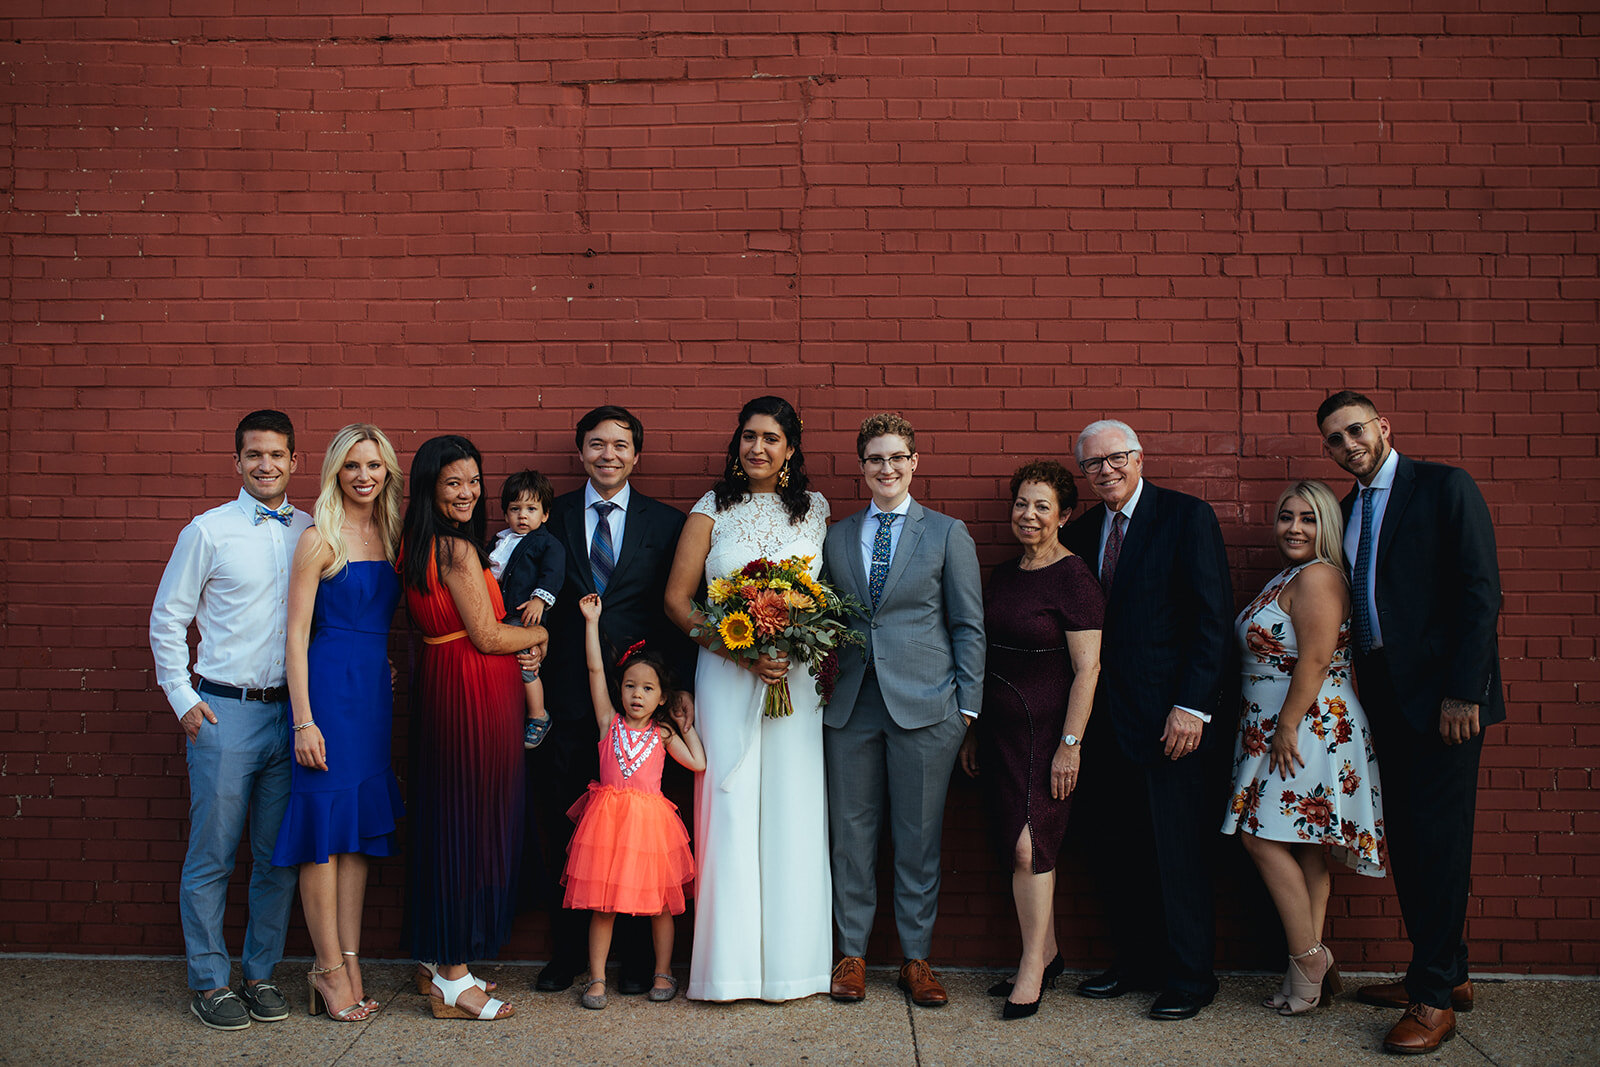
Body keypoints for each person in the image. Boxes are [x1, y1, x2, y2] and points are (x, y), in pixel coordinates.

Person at [1315, 390, 1504, 1054]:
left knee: (1441, 843)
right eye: (1334, 440)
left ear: (1383, 426)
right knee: (1417, 844)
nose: (1347, 445)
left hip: (1444, 702)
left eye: (1355, 430)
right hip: (1386, 701)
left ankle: (1431, 997)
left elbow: (1482, 591)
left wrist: (1463, 692)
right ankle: (1445, 972)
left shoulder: (1444, 486)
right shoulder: (1345, 511)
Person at [664, 395, 834, 1002]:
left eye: (771, 438)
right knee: (730, 809)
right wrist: (740, 651)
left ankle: (794, 968)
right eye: (748, 436)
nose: (757, 448)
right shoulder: (712, 508)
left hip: (795, 678)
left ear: (791, 449)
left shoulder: (816, 510)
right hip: (728, 670)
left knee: (793, 808)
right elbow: (678, 600)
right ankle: (727, 971)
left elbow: (824, 597)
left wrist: (790, 639)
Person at [1062, 418, 1233, 1021]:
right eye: (1092, 464)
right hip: (1105, 721)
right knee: (1119, 847)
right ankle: (1135, 962)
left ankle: (1191, 976)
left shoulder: (1187, 518)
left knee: (1176, 850)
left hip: (1171, 720)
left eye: (1116, 458)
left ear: (1139, 457)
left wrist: (1193, 706)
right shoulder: (1082, 531)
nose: (1104, 471)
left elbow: (1212, 619)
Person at [150, 409, 310, 1031]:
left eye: (276, 455)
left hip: (291, 716)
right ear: (237, 462)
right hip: (225, 712)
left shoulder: (310, 530)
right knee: (213, 855)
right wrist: (182, 699)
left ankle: (260, 973)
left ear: (295, 461)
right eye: (253, 455)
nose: (265, 465)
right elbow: (169, 618)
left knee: (277, 859)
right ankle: (211, 982)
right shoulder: (207, 531)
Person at [820, 412, 985, 1008]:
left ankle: (917, 959)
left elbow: (968, 624)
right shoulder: (837, 536)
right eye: (874, 459)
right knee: (851, 835)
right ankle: (852, 954)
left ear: (915, 462)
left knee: (918, 839)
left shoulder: (946, 533)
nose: (885, 469)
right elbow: (828, 621)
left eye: (896, 458)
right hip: (851, 708)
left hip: (927, 709)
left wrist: (966, 711)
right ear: (861, 467)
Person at [534, 406, 693, 996]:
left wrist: (677, 695)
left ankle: (632, 960)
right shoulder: (548, 518)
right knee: (567, 830)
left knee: (633, 843)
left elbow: (676, 614)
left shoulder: (665, 523)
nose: (609, 454)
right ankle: (567, 953)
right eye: (597, 444)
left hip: (636, 708)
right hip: (566, 697)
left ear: (637, 455)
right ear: (581, 452)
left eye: (620, 445)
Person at [1220, 479, 1387, 1016]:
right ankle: (1304, 979)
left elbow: (1315, 660)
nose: (1294, 528)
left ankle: (1310, 957)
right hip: (1279, 723)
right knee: (1309, 846)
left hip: (1309, 726)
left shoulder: (1318, 577)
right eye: (1286, 517)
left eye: (1308, 519)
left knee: (1258, 837)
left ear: (1328, 527)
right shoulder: (1290, 574)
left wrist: (1287, 725)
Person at [401, 434, 547, 1022]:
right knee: (469, 829)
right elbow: (488, 636)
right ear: (431, 488)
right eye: (453, 483)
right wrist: (538, 635)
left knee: (447, 824)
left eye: (473, 480)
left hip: (445, 681)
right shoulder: (457, 551)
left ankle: (438, 965)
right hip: (472, 689)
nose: (467, 493)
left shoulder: (415, 544)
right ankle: (455, 981)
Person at [270, 423, 408, 1022]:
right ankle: (326, 970)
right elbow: (295, 636)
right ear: (334, 472)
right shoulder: (317, 538)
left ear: (388, 473)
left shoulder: (392, 530)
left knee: (355, 838)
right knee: (323, 836)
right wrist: (303, 721)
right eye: (352, 466)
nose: (364, 476)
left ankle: (350, 959)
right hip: (326, 695)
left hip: (373, 696)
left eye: (374, 466)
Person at [957, 460, 1103, 1020]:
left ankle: (1030, 969)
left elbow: (1087, 669)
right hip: (999, 732)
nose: (1029, 514)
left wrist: (1072, 742)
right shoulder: (1004, 575)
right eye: (1022, 503)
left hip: (1048, 732)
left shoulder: (1074, 578)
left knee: (1030, 846)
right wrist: (973, 732)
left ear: (1065, 515)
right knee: (1013, 845)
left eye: (1043, 506)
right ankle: (1049, 951)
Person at [564, 594, 704, 1010]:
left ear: (662, 696)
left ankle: (663, 970)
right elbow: (594, 669)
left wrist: (683, 725)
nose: (636, 695)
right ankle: (596, 978)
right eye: (629, 686)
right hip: (605, 829)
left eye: (647, 689)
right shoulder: (609, 724)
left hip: (650, 831)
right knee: (603, 906)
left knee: (661, 904)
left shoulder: (661, 734)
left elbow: (697, 762)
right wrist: (592, 622)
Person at [488, 468, 564, 749]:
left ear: (544, 514)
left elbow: (552, 573)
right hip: (499, 616)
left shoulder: (546, 543)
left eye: (531, 509)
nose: (522, 515)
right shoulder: (500, 541)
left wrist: (539, 600)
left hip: (525, 616)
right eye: (515, 508)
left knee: (525, 663)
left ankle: (538, 715)